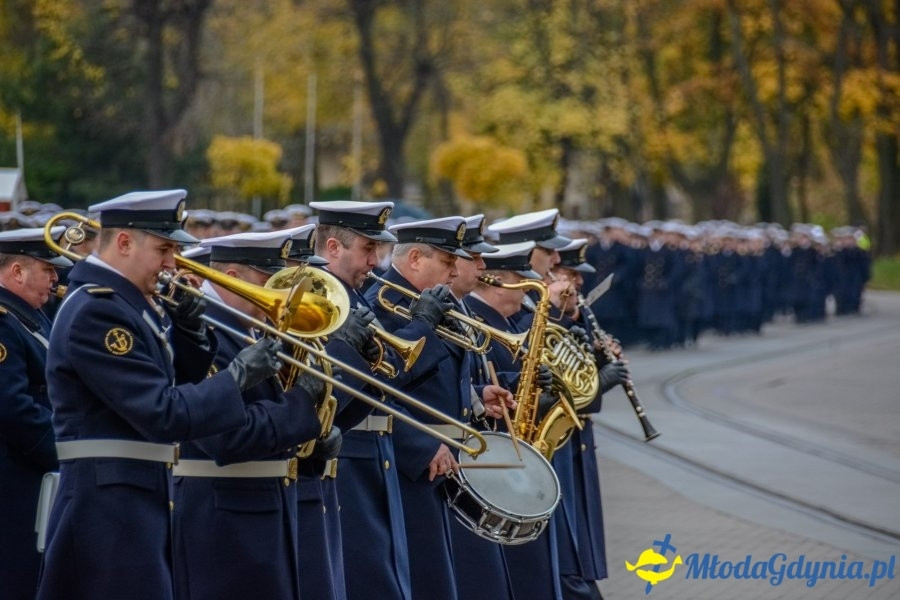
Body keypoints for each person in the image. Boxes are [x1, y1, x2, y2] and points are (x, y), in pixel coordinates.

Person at [37, 190, 285, 600]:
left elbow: (172, 385)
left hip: (132, 496)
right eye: (164, 249)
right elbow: (161, 413)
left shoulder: (127, 305)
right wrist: (237, 375)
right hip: (108, 505)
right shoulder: (98, 310)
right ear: (124, 243)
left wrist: (188, 333)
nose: (173, 263)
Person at [169, 229, 345, 600]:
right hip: (223, 516)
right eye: (270, 280)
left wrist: (311, 443)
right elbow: (225, 438)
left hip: (263, 507)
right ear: (232, 278)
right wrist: (301, 408)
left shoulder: (250, 330)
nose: (280, 293)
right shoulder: (203, 331)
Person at [365, 216, 514, 600]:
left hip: (443, 464)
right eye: (448, 262)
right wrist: (418, 444)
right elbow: (374, 388)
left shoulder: (428, 301)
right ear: (416, 257)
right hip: (410, 466)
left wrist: (477, 396)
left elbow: (434, 377)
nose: (457, 272)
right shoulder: (384, 304)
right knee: (425, 580)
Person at [310, 200, 443, 600]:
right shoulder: (321, 299)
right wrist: (421, 325)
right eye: (368, 249)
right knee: (368, 578)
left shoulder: (359, 296)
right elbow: (343, 382)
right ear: (334, 247)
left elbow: (385, 379)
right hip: (349, 454)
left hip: (372, 453)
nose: (376, 260)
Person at [551, 238, 630, 600]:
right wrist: (598, 383)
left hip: (575, 442)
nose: (578, 284)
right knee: (567, 558)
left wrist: (599, 364)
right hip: (556, 449)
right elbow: (560, 388)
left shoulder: (571, 316)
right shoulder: (544, 319)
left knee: (579, 549)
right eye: (570, 274)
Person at [0, 227, 71, 600]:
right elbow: (11, 408)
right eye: (48, 269)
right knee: (17, 577)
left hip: (35, 473)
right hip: (16, 478)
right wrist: (64, 453)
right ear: (17, 272)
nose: (56, 278)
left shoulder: (28, 315)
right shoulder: (3, 321)